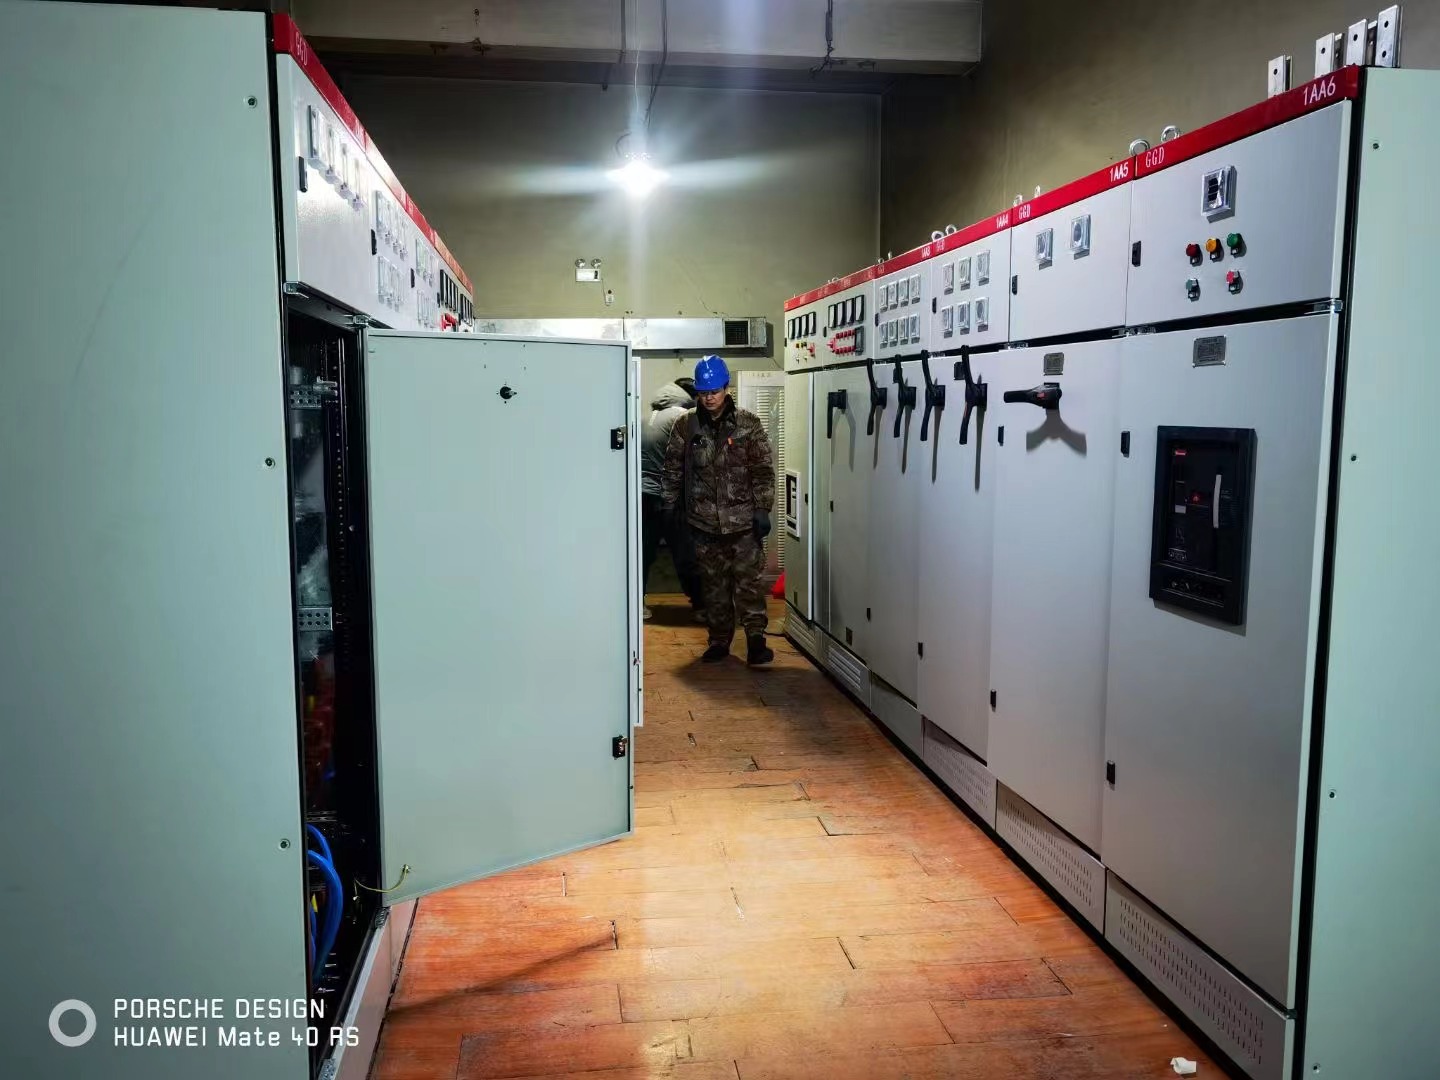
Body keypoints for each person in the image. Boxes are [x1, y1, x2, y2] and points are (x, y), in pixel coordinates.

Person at [661, 355, 776, 665]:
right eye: (703, 392)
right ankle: (719, 641)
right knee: (714, 585)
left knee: (749, 584)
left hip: (743, 522)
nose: (709, 398)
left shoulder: (748, 423)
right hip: (703, 523)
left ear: (726, 388)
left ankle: (755, 640)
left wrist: (763, 508)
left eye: (714, 391)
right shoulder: (686, 425)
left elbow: (763, 470)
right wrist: (669, 506)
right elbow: (673, 469)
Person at [640, 377, 702, 618]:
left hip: (643, 495)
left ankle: (637, 604)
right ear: (691, 396)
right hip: (669, 497)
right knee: (686, 552)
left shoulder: (648, 416)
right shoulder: (681, 416)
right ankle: (701, 606)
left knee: (643, 554)